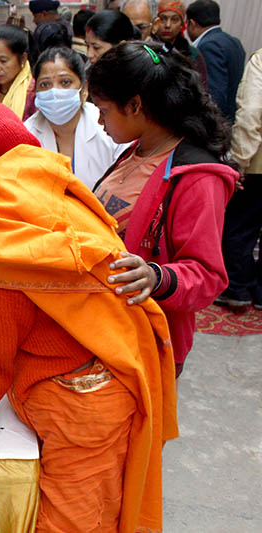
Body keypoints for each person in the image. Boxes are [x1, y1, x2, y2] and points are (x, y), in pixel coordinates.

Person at [0, 102, 178, 532]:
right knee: (106, 510)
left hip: (82, 403)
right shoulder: (59, 190)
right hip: (118, 368)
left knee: (74, 523)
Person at [89, 42, 238, 376]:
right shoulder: (136, 151)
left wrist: (155, 276)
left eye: (104, 110)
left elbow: (208, 276)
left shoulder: (196, 177)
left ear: (135, 105)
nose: (99, 121)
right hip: (108, 326)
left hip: (149, 339)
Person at [25, 47, 127, 189]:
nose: (55, 92)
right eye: (45, 84)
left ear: (83, 88)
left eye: (65, 82)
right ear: (36, 90)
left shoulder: (110, 126)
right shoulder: (26, 135)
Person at [217, 49, 262, 310]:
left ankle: (238, 289)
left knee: (240, 228)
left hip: (257, 164)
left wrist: (239, 161)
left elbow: (251, 114)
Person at [186, 0, 246, 123]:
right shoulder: (234, 42)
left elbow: (214, 95)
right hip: (233, 119)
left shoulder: (208, 46)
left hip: (217, 125)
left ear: (191, 23)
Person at [151, 0, 208, 87]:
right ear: (156, 22)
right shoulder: (145, 48)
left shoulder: (192, 54)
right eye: (163, 19)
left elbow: (202, 90)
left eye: (174, 20)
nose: (168, 25)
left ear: (182, 25)